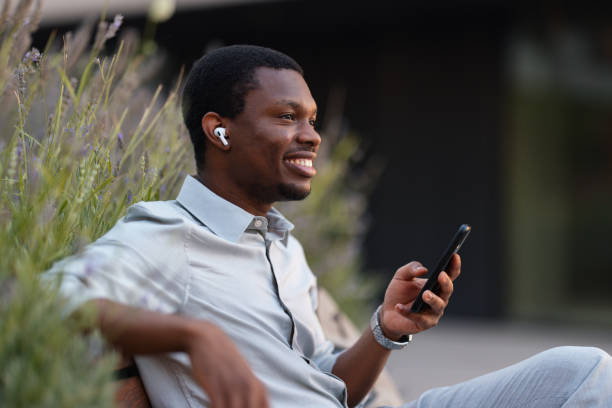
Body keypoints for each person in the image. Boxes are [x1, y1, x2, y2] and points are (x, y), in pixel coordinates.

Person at [46, 45, 612, 408]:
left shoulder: (281, 247)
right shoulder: (164, 236)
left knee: (584, 370)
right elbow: (44, 302)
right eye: (287, 117)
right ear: (218, 132)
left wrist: (386, 330)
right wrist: (192, 336)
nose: (312, 136)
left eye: (312, 119)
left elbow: (331, 387)